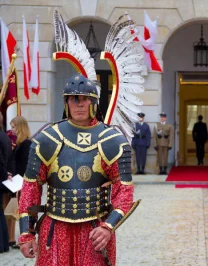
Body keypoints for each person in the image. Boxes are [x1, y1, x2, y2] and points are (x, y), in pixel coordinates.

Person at [18, 74, 134, 265]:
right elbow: (31, 188)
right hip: (55, 228)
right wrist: (26, 233)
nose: (80, 104)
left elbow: (124, 190)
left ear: (94, 103)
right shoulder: (47, 138)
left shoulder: (112, 140)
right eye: (74, 99)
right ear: (66, 103)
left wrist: (108, 227)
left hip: (95, 228)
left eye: (86, 99)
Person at [3, 116, 32, 249]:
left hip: (21, 183)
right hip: (16, 181)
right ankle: (14, 238)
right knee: (15, 211)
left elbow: (25, 165)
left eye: (14, 127)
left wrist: (18, 179)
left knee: (21, 211)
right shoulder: (20, 143)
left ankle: (23, 237)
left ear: (20, 127)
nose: (12, 130)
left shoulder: (26, 144)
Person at [0, 112, 13, 253]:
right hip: (4, 178)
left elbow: (0, 160)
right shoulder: (5, 137)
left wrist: (4, 174)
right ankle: (4, 244)